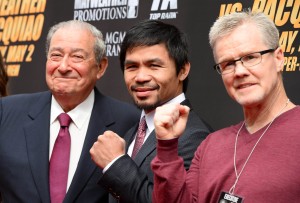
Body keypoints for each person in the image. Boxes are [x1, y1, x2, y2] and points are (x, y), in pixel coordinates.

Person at [151, 10, 300, 203]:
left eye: (251, 57)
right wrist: (167, 146)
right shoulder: (210, 146)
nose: (239, 71)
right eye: (228, 64)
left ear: (279, 59)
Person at [0, 20, 140, 203]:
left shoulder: (129, 122)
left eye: (77, 57)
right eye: (56, 55)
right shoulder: (6, 112)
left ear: (101, 67)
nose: (64, 67)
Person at [90, 20, 213, 203]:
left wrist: (116, 163)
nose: (140, 77)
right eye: (132, 67)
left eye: (154, 66)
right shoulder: (133, 131)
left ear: (183, 70)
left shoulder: (195, 137)